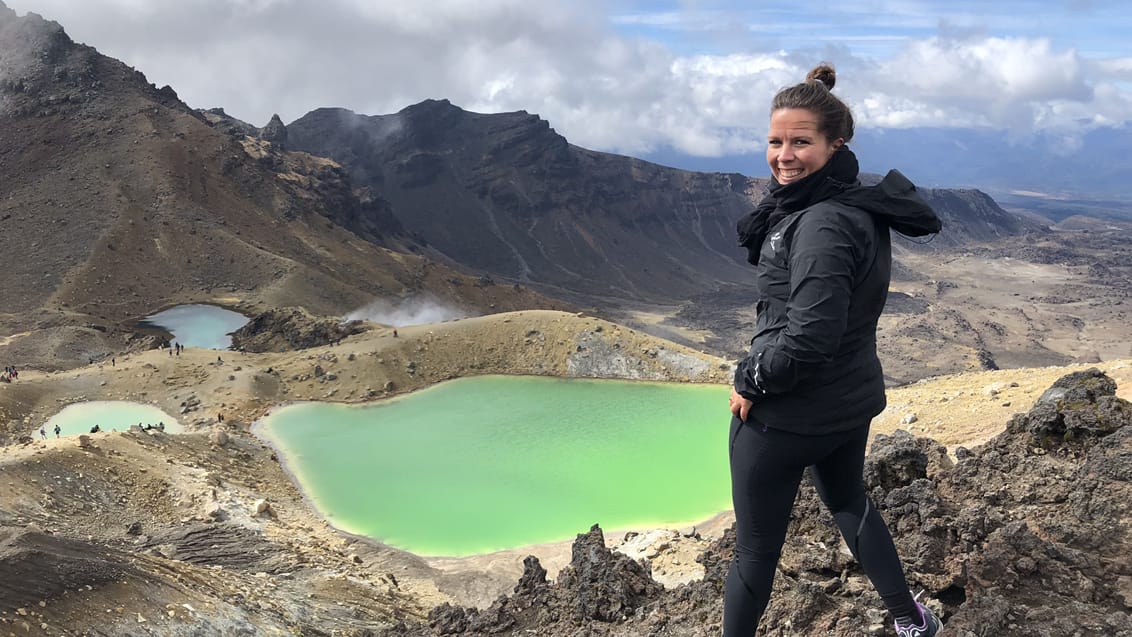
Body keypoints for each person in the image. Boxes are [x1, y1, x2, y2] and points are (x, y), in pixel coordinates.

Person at [726, 63, 943, 637]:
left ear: (835, 143)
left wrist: (750, 379)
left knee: (754, 553)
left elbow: (809, 337)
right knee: (851, 503)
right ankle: (910, 621)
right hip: (847, 406)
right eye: (775, 141)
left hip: (785, 414)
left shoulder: (819, 221)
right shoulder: (854, 205)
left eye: (801, 142)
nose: (784, 155)